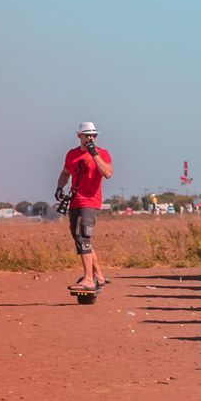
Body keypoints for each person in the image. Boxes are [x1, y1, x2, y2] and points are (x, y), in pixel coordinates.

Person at [56, 122, 113, 289]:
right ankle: (99, 276)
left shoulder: (102, 153)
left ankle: (89, 279)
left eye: (93, 135)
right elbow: (65, 172)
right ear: (79, 135)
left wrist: (94, 153)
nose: (91, 137)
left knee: (84, 238)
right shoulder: (71, 154)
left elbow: (108, 173)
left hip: (90, 202)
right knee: (79, 238)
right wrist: (59, 186)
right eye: (87, 134)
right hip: (75, 200)